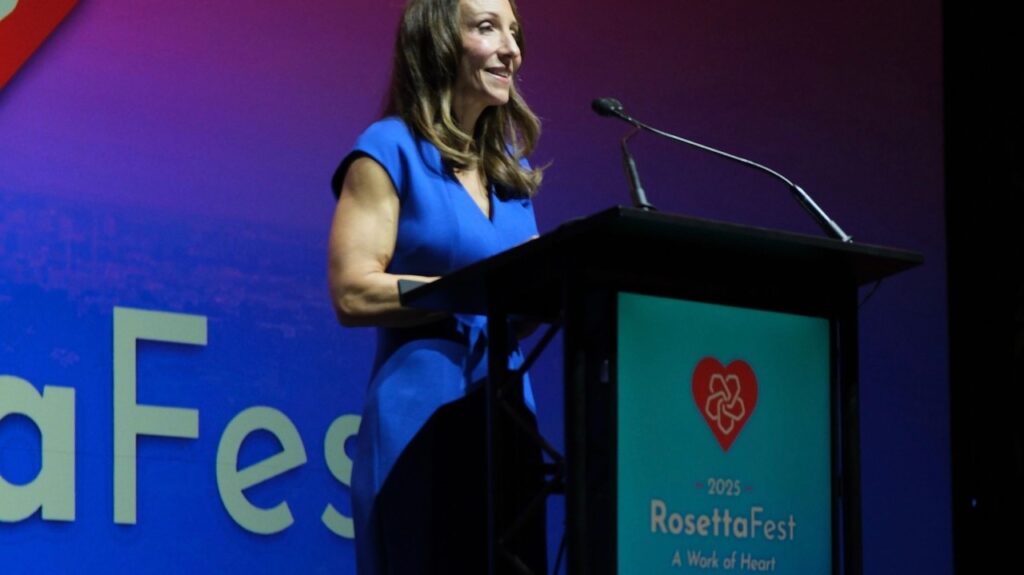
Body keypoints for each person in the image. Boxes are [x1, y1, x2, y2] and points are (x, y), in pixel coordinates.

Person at [327, 0, 546, 572]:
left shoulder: (510, 172)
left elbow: (522, 296)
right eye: (487, 28)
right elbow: (353, 292)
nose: (511, 49)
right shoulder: (388, 149)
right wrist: (471, 292)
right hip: (420, 414)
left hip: (507, 417)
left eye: (514, 33)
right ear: (439, 42)